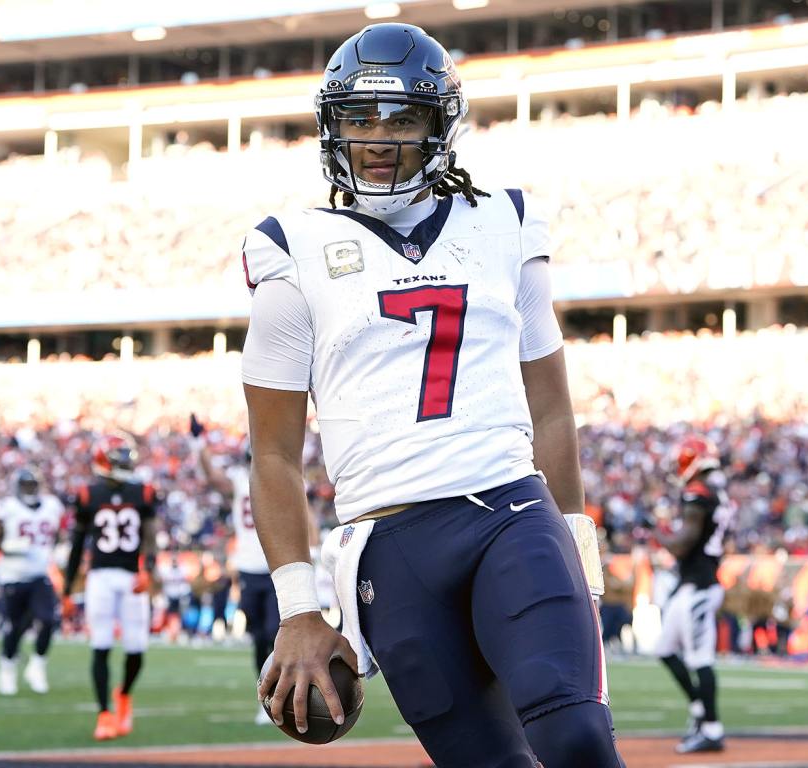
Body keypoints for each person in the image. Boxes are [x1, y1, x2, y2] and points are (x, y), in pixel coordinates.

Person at [242, 24, 624, 768]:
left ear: (441, 125)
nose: (380, 138)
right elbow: (275, 453)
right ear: (333, 128)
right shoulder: (288, 245)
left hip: (508, 512)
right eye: (360, 118)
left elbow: (549, 405)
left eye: (403, 118)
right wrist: (297, 608)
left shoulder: (504, 219)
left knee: (575, 738)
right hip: (390, 545)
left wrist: (577, 539)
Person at [62, 434, 158, 741]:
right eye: (118, 455)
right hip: (100, 577)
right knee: (100, 645)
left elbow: (150, 535)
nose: (124, 460)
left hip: (132, 578)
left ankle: (124, 694)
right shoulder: (88, 494)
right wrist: (67, 589)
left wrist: (149, 569)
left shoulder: (142, 491)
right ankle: (104, 714)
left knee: (136, 649)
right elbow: (77, 545)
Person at [652, 435, 734, 754]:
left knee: (701, 659)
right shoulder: (717, 492)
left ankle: (712, 729)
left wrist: (657, 532)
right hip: (693, 584)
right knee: (664, 649)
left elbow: (683, 543)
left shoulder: (698, 492)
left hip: (700, 586)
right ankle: (700, 711)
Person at [191, 416, 276, 725]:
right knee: (258, 639)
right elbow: (212, 477)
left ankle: (278, 696)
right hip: (250, 568)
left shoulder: (283, 478)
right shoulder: (241, 481)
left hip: (277, 566)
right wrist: (198, 444)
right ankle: (265, 696)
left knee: (273, 635)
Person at [0, 467, 65, 696]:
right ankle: (7, 667)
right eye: (26, 485)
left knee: (48, 620)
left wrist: (57, 549)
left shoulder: (51, 506)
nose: (30, 489)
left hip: (39, 574)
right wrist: (10, 547)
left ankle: (37, 666)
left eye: (33, 485)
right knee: (14, 627)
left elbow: (57, 535)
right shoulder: (8, 508)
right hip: (12, 576)